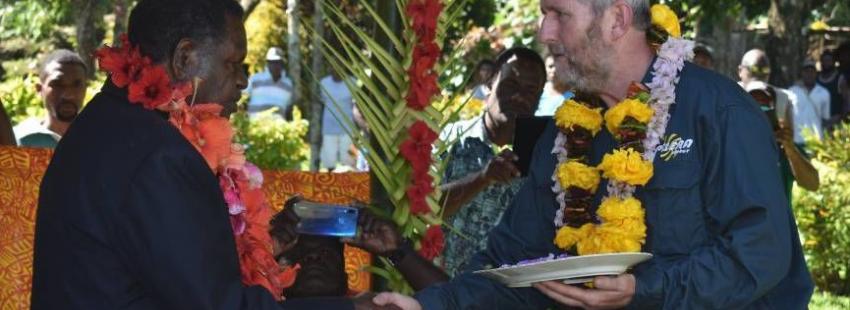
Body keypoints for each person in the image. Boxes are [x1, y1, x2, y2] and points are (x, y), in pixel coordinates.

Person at [375, 0, 813, 309]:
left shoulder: (718, 110)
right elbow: (513, 262)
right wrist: (430, 306)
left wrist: (643, 290)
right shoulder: (562, 136)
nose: (543, 33)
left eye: (558, 14)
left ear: (617, 20)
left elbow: (760, 255)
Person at [31, 1, 387, 309]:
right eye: (234, 63)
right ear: (185, 59)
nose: (242, 81)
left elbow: (169, 268)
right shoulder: (160, 156)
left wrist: (269, 245)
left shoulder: (111, 120)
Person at [438, 47, 546, 276]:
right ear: (489, 85)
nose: (519, 97)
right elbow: (424, 209)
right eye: (510, 85)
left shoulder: (546, 157)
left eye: (530, 90)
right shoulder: (448, 140)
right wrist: (482, 178)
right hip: (440, 290)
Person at [269, 198, 449, 297]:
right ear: (278, 277)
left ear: (345, 275)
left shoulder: (373, 306)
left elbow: (454, 303)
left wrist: (397, 250)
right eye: (301, 254)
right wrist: (266, 248)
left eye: (326, 253)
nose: (313, 259)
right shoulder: (256, 304)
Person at [738, 49, 819, 197]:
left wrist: (789, 148)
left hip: (778, 219)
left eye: (765, 106)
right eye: (753, 106)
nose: (759, 113)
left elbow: (812, 184)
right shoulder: (732, 149)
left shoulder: (782, 151)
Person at [13, 49, 87, 148]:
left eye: (77, 85)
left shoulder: (101, 138)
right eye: (57, 84)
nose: (69, 94)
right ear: (39, 89)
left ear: (85, 88)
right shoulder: (18, 140)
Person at [789, 59, 831, 146]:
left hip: (816, 140)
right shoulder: (792, 91)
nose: (809, 74)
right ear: (802, 73)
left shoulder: (824, 93)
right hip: (796, 140)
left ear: (816, 73)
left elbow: (826, 119)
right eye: (806, 71)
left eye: (812, 71)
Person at [320, 71, 355, 170]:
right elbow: (322, 102)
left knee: (348, 162)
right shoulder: (324, 83)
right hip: (328, 128)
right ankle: (329, 183)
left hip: (347, 128)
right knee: (329, 163)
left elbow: (356, 106)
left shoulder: (352, 82)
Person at [246, 47, 294, 118]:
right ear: (267, 63)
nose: (275, 65)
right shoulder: (255, 79)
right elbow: (242, 99)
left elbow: (288, 108)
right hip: (254, 126)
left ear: (282, 63)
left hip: (279, 128)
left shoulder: (288, 84)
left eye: (278, 62)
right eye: (272, 62)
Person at [817, 50, 845, 126]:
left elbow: (847, 100)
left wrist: (842, 118)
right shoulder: (816, 78)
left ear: (833, 62)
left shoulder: (840, 78)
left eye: (829, 60)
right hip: (819, 121)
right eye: (824, 60)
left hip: (835, 121)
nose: (826, 63)